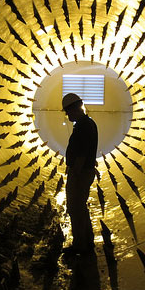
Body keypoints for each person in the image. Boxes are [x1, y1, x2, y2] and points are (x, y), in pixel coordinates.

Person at [61, 93, 98, 256]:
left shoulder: (84, 126)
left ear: (75, 109)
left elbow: (82, 153)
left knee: (75, 208)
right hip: (83, 171)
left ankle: (80, 246)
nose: (67, 115)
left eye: (67, 112)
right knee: (80, 208)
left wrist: (75, 173)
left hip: (81, 173)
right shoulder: (86, 124)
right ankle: (87, 241)